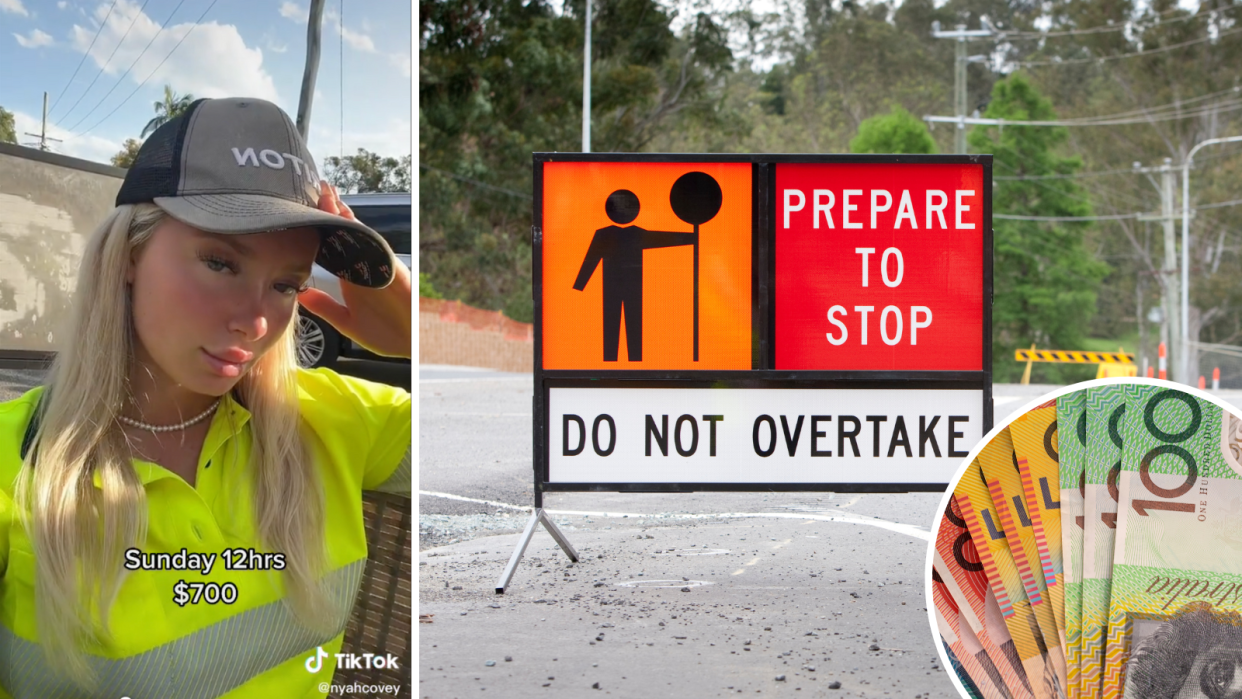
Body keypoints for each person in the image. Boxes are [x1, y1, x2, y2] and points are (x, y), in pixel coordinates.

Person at [0, 97, 411, 698]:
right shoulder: (18, 463)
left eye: (285, 284)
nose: (255, 321)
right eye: (220, 262)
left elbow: (501, 449)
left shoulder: (331, 418)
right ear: (130, 255)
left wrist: (414, 341)